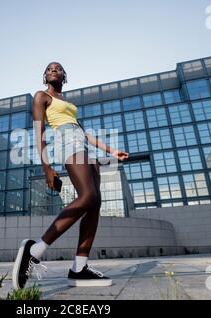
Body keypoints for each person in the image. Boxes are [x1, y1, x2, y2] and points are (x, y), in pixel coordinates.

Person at [12, 62, 129, 290]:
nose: (54, 70)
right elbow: (40, 133)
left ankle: (79, 267)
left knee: (95, 203)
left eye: (58, 68)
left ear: (65, 75)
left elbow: (84, 133)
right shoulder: (41, 97)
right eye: (49, 68)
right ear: (45, 76)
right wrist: (47, 167)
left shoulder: (68, 104)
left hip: (84, 148)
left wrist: (111, 151)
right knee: (87, 196)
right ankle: (34, 250)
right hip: (68, 145)